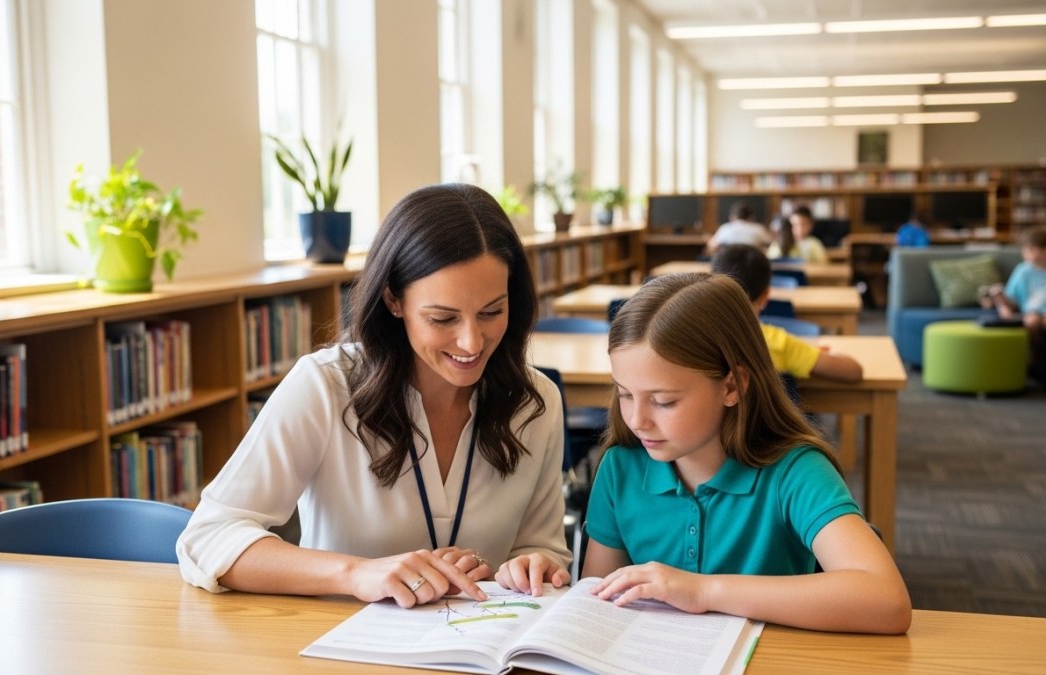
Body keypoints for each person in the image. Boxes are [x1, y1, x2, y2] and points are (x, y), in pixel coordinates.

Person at [177, 183, 572, 607]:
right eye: (443, 318)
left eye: (492, 312)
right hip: (343, 648)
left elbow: (543, 550)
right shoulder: (325, 386)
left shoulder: (536, 401)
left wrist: (528, 568)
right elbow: (208, 537)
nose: (472, 342)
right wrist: (356, 573)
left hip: (477, 651)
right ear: (393, 300)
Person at [581, 272, 912, 634]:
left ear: (731, 386)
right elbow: (594, 603)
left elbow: (887, 601)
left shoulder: (794, 471)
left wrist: (704, 591)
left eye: (663, 401)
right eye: (625, 394)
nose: (636, 420)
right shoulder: (620, 467)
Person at [711, 244, 863, 383]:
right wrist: (811, 353)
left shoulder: (695, 338)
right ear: (765, 297)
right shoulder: (778, 344)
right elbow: (853, 371)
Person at [981, 227, 1046, 342]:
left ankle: (1044, 322)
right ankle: (1033, 358)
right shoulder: (1022, 271)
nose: (1027, 254)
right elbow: (1011, 300)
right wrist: (998, 298)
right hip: (1033, 314)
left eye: (1032, 250)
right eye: (1025, 250)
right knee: (1032, 321)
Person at [706, 201, 771, 254]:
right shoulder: (759, 229)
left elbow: (711, 246)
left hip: (728, 267)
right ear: (751, 217)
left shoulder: (725, 228)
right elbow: (772, 245)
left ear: (731, 217)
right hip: (753, 267)